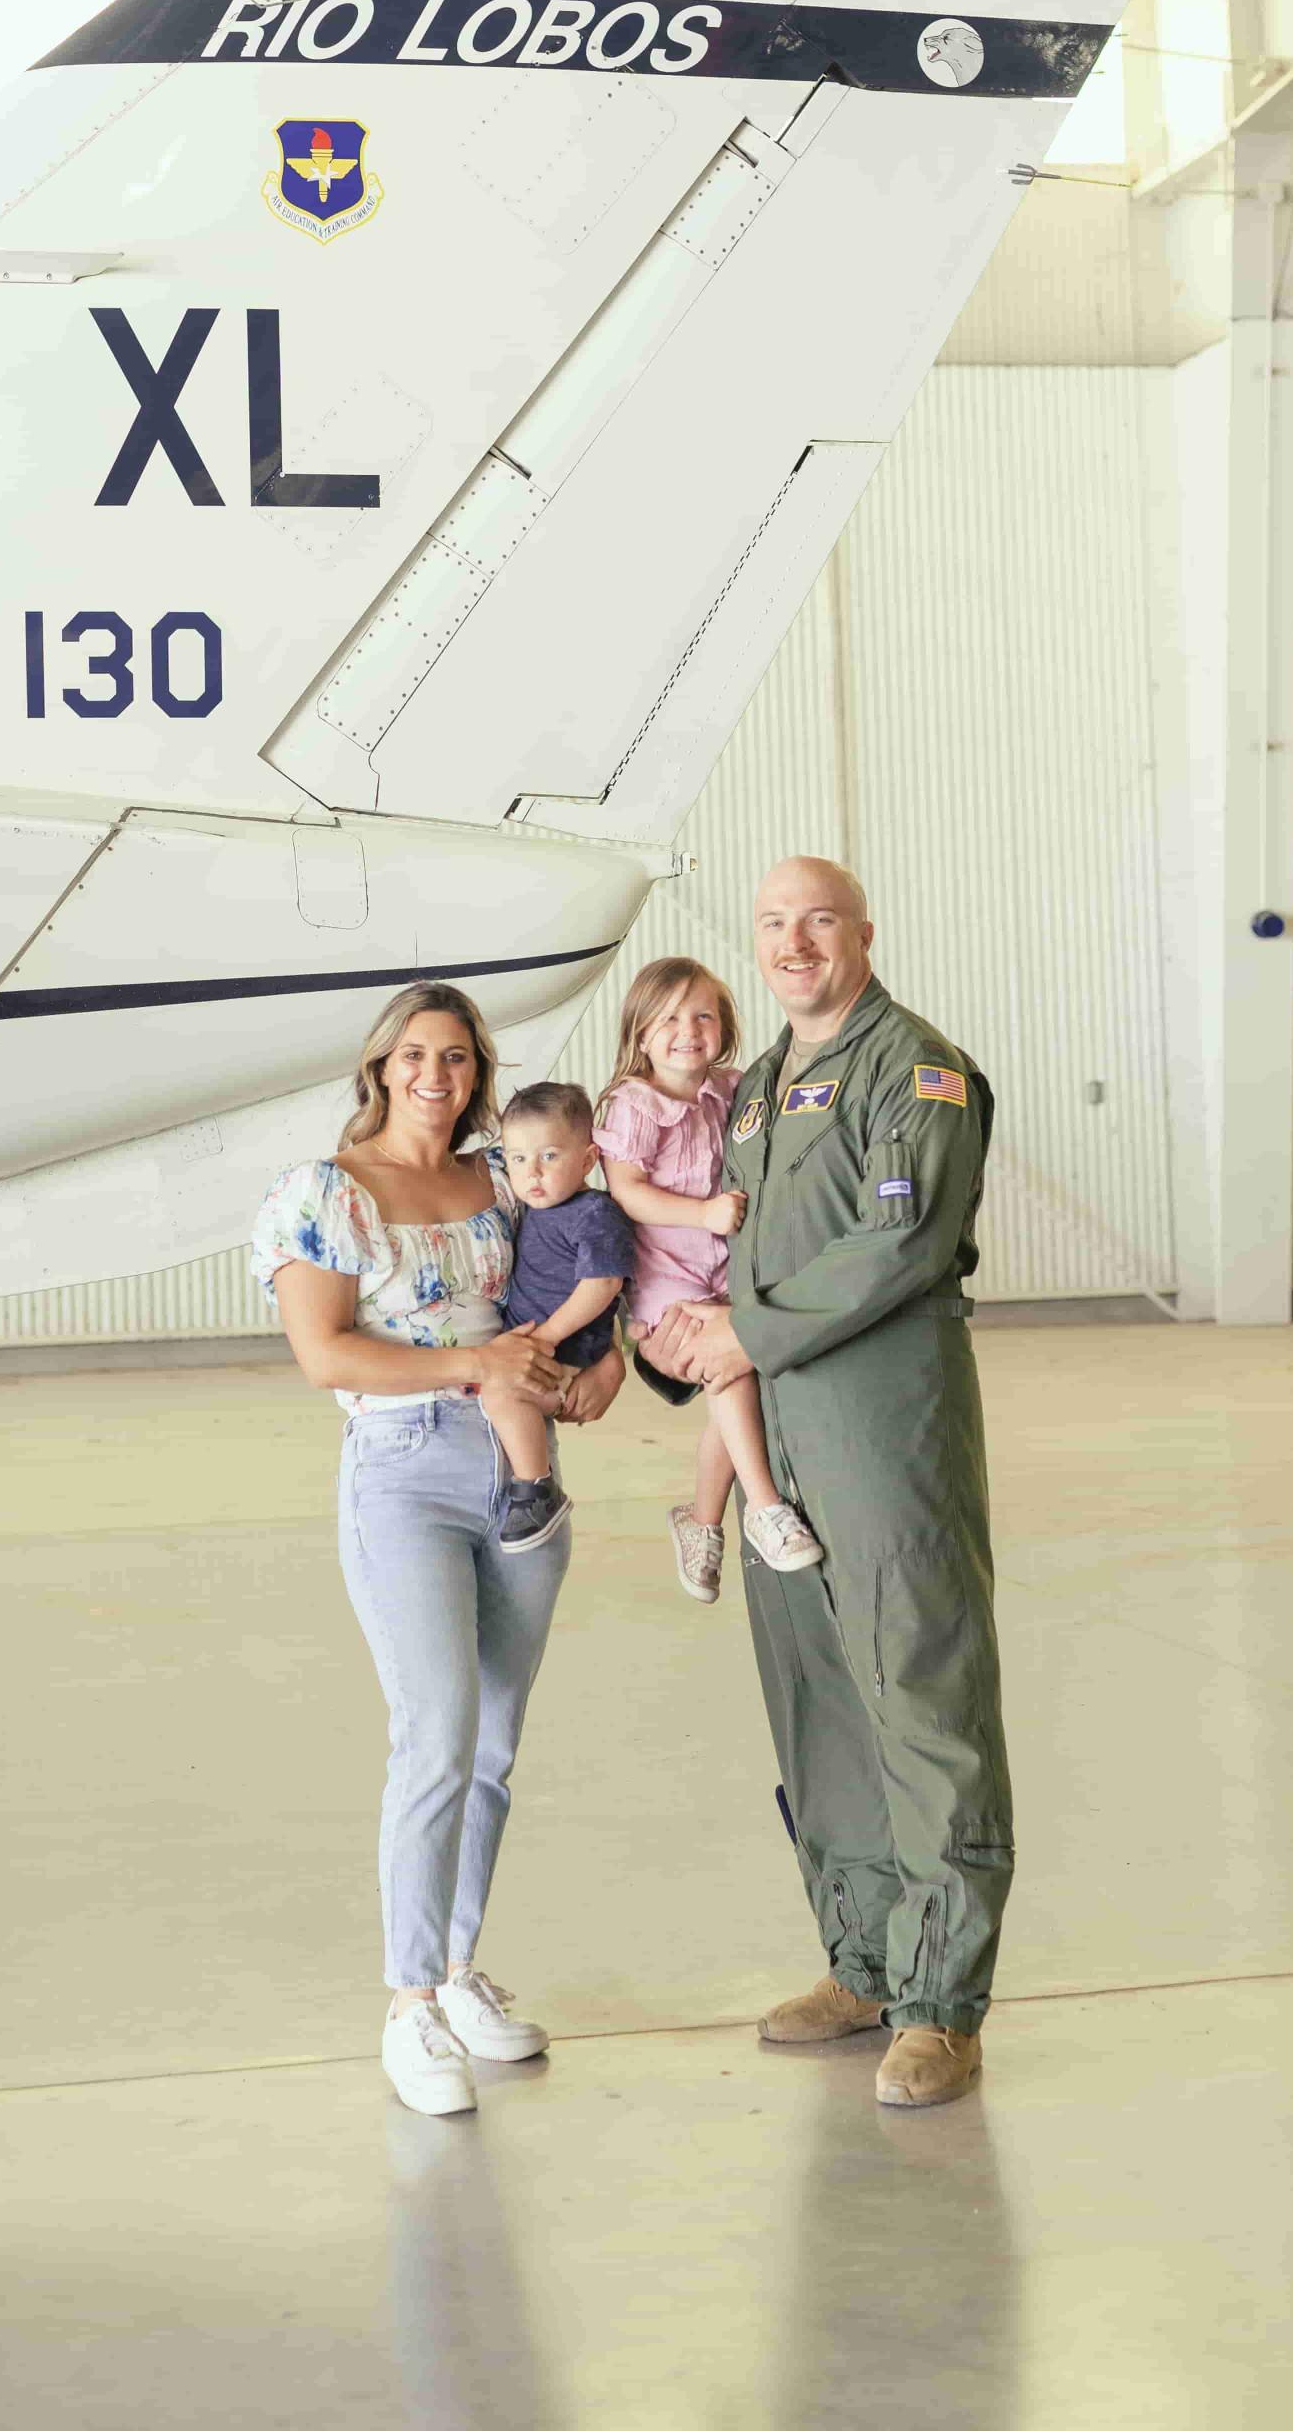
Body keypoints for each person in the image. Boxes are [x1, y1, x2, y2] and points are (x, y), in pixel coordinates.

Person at [654, 859, 1010, 2112]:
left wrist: (748, 1333)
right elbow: (720, 1238)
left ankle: (939, 2003)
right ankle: (860, 1962)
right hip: (774, 1433)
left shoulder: (915, 1069)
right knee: (815, 1693)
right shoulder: (756, 1092)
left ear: (862, 932)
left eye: (816, 920)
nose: (792, 942)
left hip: (877, 1412)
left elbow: (898, 1242)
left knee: (914, 1682)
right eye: (770, 924)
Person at [252, 982, 623, 2120]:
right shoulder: (324, 1192)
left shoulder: (498, 1179)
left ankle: (460, 1975)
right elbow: (327, 1354)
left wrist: (599, 1371)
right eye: (415, 1054)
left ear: (478, 1074)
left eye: (457, 1058)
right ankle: (408, 2004)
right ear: (379, 1066)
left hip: (517, 1468)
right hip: (403, 1469)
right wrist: (475, 1370)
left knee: (496, 1740)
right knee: (437, 1736)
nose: (436, 1075)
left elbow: (574, 1280)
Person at [592, 956, 824, 1600]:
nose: (687, 1030)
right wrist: (703, 1212)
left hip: (725, 1268)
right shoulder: (633, 1104)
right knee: (729, 1368)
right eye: (668, 1018)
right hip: (668, 1277)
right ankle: (764, 1506)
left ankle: (700, 1521)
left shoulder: (732, 1087)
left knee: (738, 1378)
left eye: (703, 1015)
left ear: (724, 1026)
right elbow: (629, 1192)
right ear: (640, 1034)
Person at [480, 1080, 634, 1555]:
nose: (533, 1173)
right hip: (541, 1343)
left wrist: (547, 1337)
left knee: (502, 1394)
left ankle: (536, 1489)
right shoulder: (534, 1209)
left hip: (565, 1350)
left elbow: (603, 1285)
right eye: (519, 1159)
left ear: (588, 1160)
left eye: (550, 1156)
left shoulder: (593, 1213)